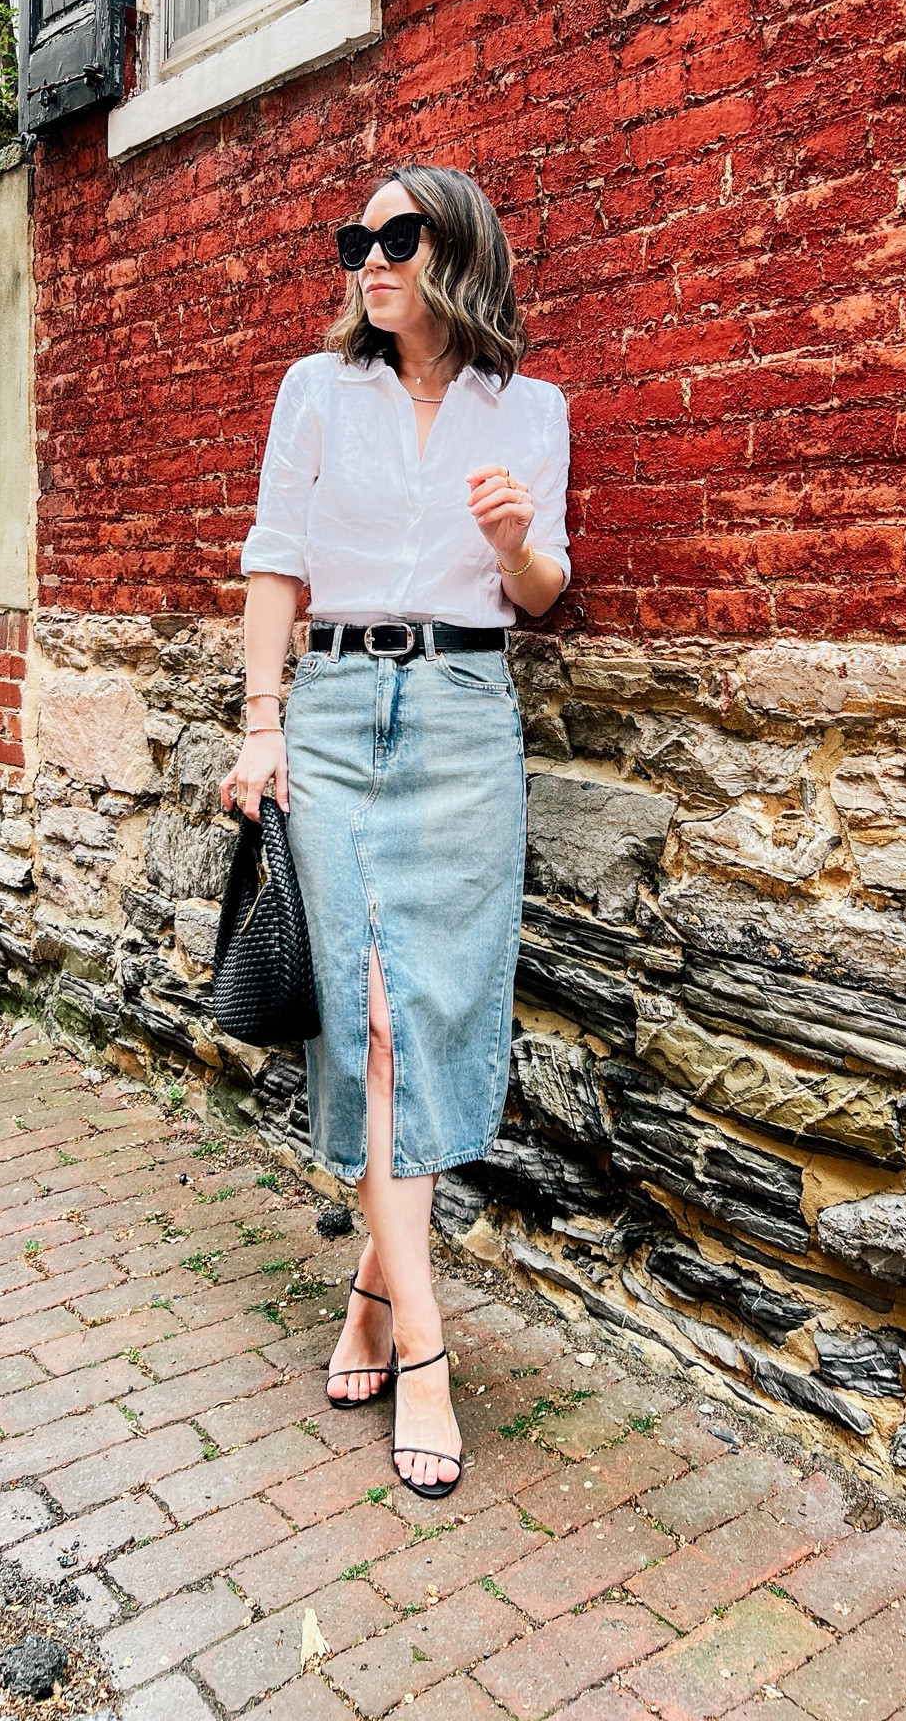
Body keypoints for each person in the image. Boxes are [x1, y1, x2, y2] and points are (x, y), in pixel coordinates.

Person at [219, 164, 571, 1497]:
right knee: (363, 1013)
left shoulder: (527, 410)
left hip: (467, 713)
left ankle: (374, 1288)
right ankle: (427, 1344)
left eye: (397, 236)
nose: (369, 256)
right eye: (355, 239)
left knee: (424, 1011)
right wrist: (263, 726)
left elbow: (543, 594)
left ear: (458, 252)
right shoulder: (318, 394)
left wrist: (518, 541)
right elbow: (275, 563)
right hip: (336, 706)